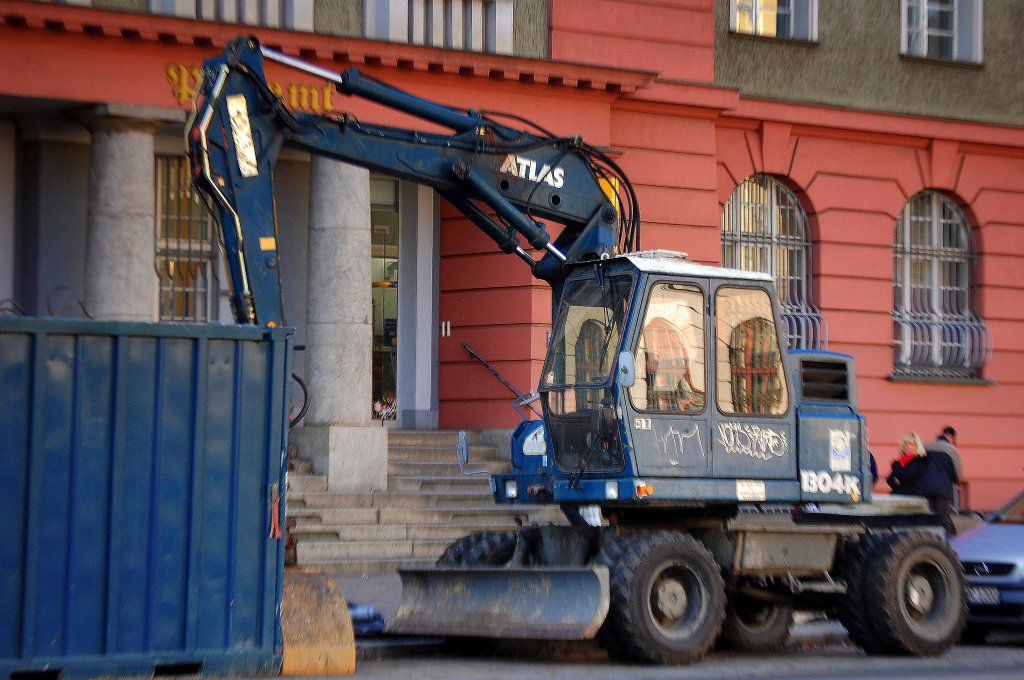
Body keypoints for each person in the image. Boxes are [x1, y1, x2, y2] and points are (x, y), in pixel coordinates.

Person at [926, 426, 963, 509]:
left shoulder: (927, 447)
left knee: (929, 516)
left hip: (926, 488)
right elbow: (958, 473)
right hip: (944, 489)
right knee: (944, 517)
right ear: (951, 437)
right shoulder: (951, 450)